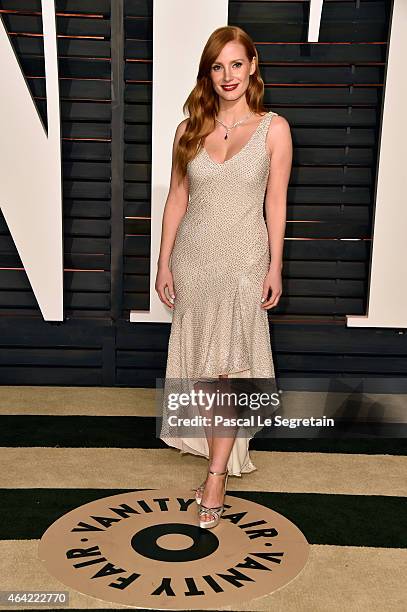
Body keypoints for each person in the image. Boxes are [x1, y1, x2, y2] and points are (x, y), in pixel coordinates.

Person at [155, 25, 292, 528]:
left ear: (253, 65)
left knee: (229, 370)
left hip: (244, 259)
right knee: (206, 370)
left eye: (236, 64)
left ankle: (216, 475)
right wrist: (164, 259)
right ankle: (219, 461)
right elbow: (177, 198)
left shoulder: (274, 129)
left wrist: (276, 264)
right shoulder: (188, 129)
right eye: (218, 66)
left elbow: (275, 203)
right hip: (195, 260)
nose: (228, 75)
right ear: (208, 74)